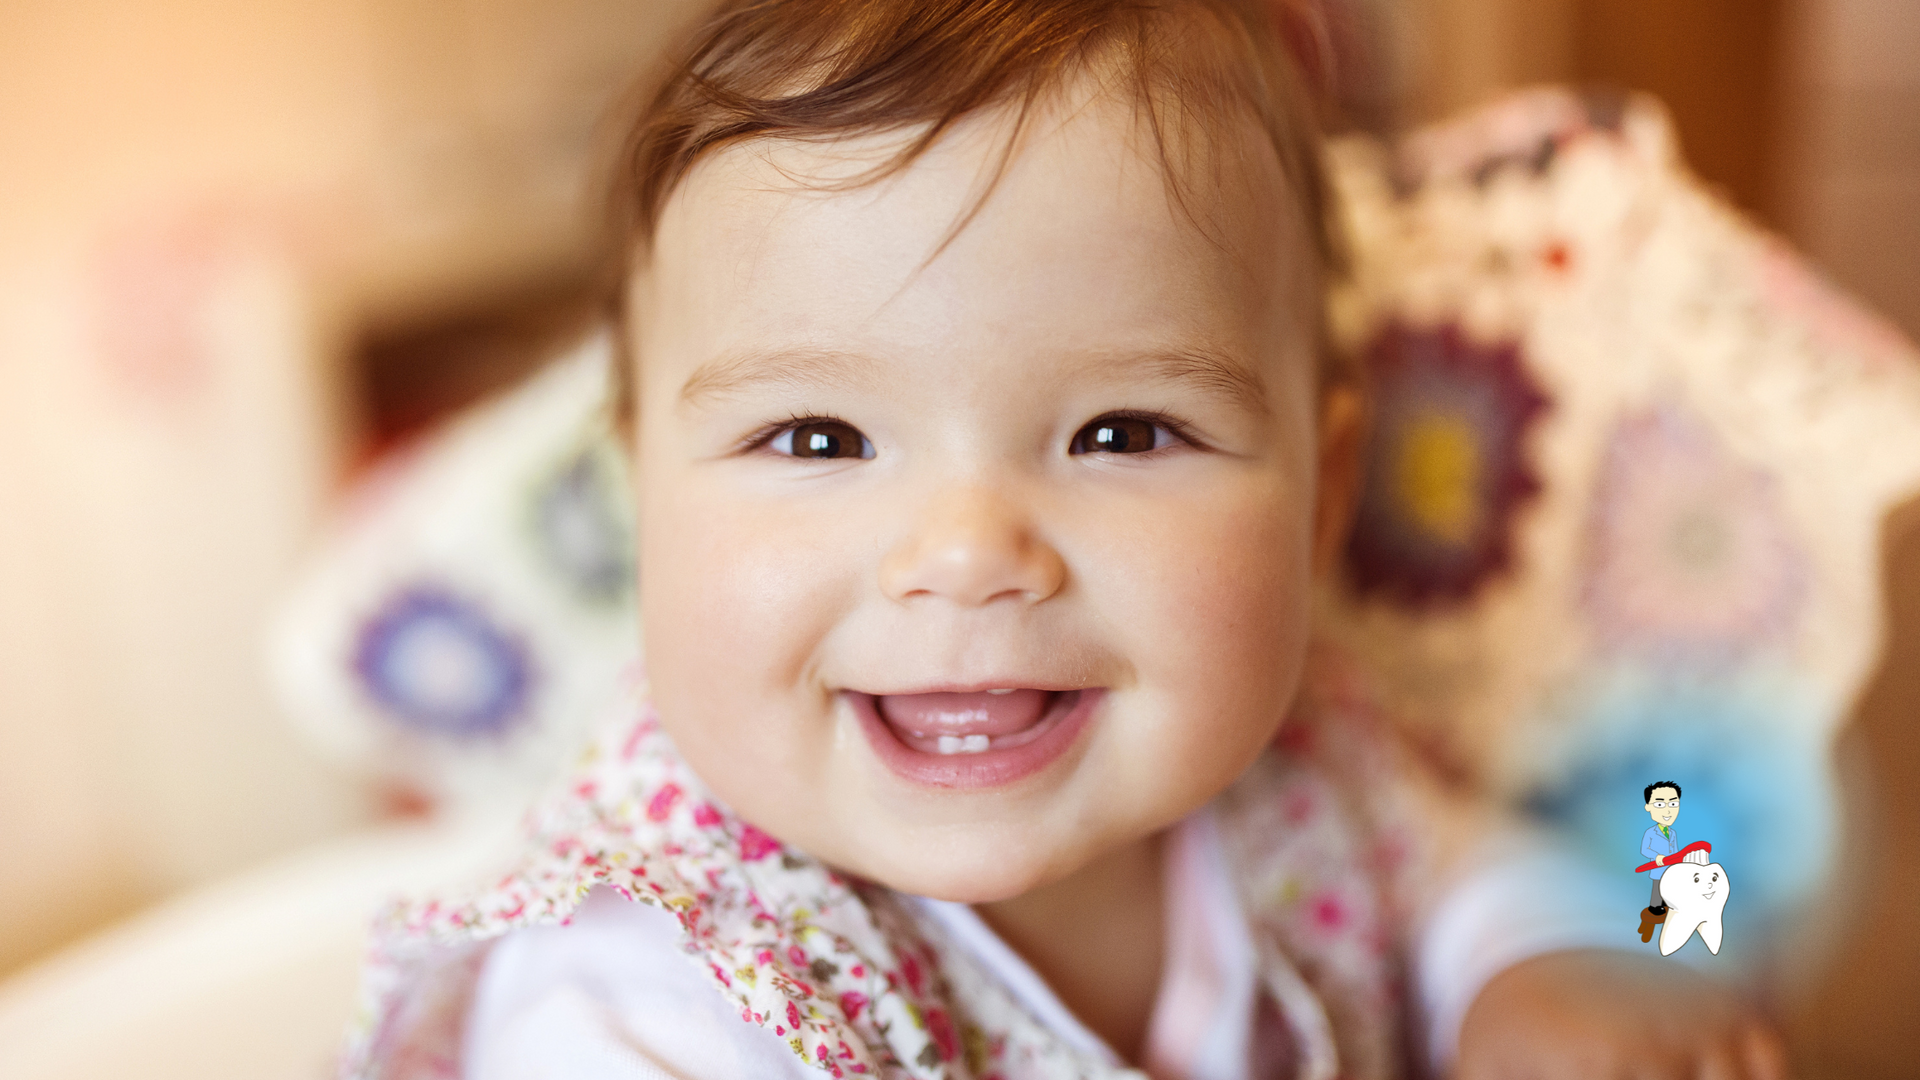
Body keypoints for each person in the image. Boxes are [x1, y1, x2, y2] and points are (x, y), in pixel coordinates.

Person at [342, 2, 1787, 1077]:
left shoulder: (1300, 772)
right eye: (820, 440)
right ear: (643, 491)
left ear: (1322, 499)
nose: (969, 551)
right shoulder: (641, 996)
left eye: (1124, 433)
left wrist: (1535, 980)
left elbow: (1469, 868)